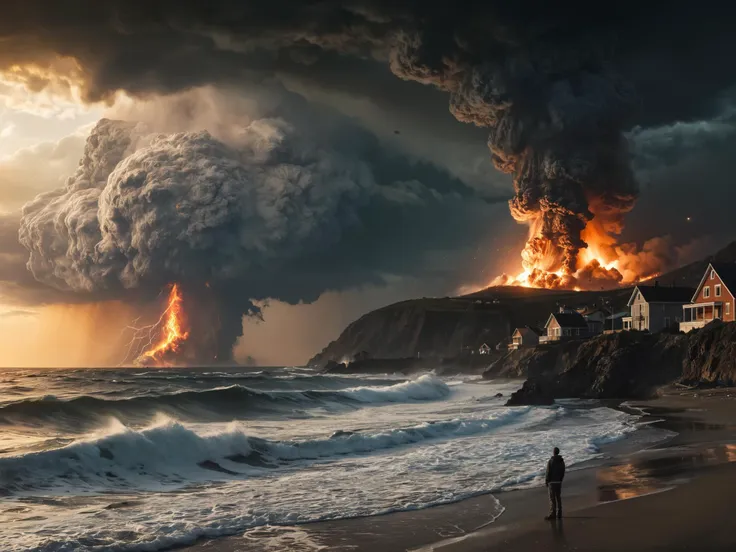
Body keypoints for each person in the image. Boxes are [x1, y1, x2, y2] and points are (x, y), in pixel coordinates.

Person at [545, 447, 565, 520]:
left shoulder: (551, 461)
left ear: (553, 452)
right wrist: (560, 479)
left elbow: (548, 472)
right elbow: (563, 471)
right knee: (558, 498)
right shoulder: (561, 461)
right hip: (558, 482)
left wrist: (547, 481)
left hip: (552, 482)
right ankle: (559, 513)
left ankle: (553, 514)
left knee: (552, 499)